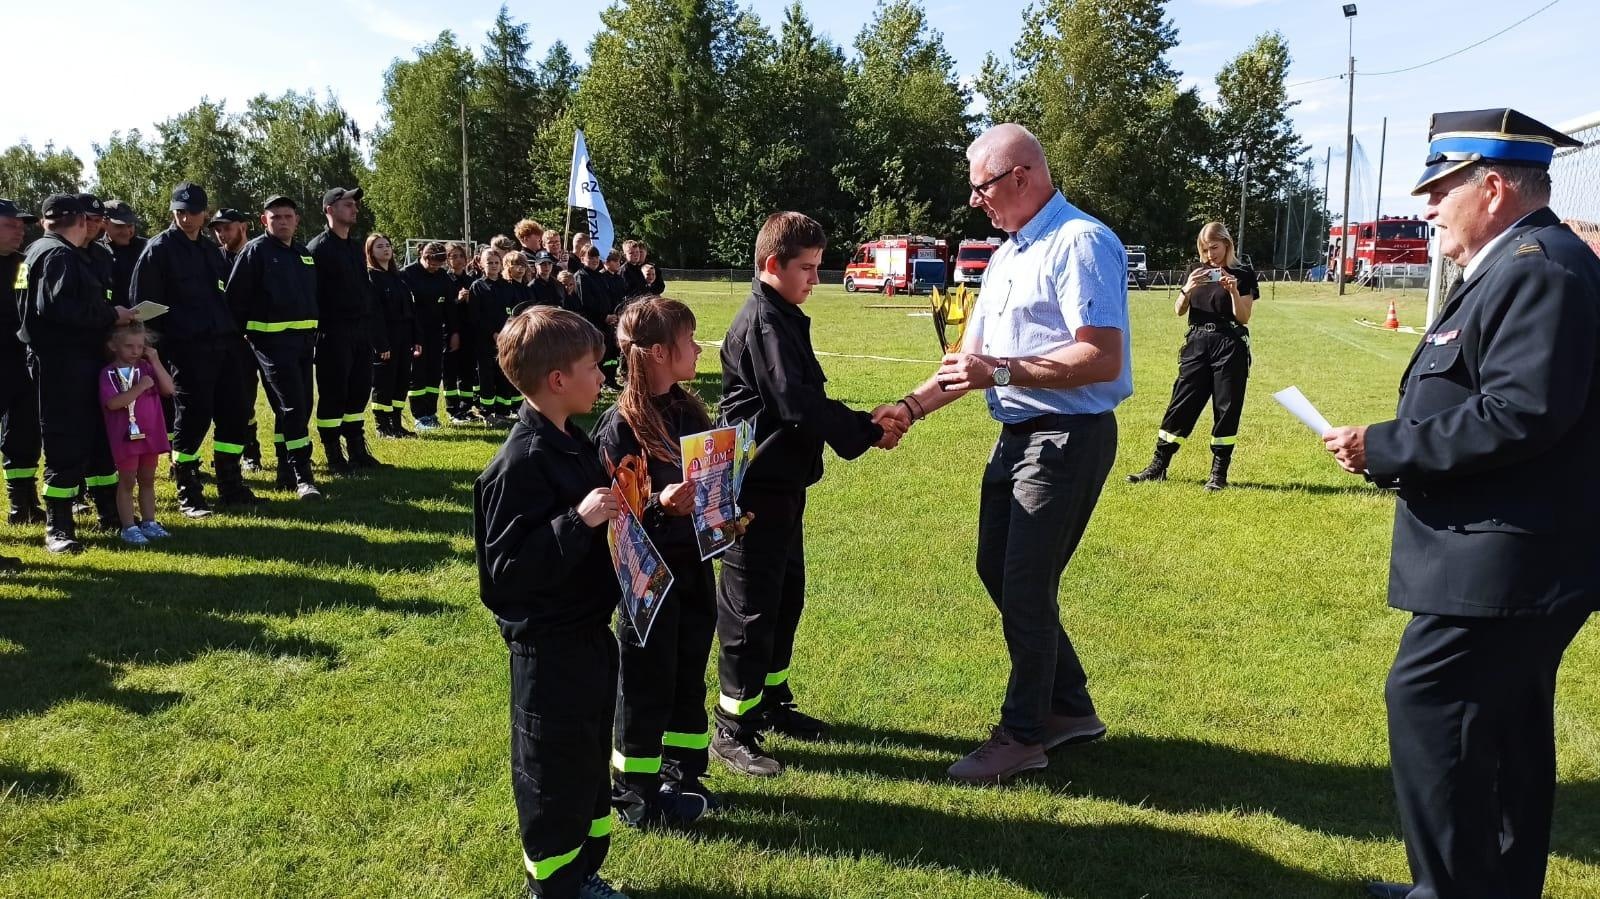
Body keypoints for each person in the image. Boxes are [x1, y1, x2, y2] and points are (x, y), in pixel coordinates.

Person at [1320, 109, 1600, 899]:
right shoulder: (1518, 260)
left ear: (1495, 185)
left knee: (1431, 701)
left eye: (1442, 189)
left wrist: (1388, 446)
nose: (1430, 206)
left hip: (1509, 557)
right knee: (1502, 728)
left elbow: (1521, 411)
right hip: (1506, 551)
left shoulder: (1538, 267)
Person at [890, 123, 1132, 783]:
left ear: (1022, 175)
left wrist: (999, 373)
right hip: (1020, 435)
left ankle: (1024, 733)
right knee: (999, 570)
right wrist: (909, 408)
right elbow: (970, 362)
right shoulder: (1007, 254)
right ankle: (1070, 705)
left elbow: (1099, 355)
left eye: (982, 186)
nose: (975, 201)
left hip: (1066, 436)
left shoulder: (1080, 242)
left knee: (1025, 583)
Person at [711, 211, 904, 777]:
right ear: (773, 265)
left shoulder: (785, 315)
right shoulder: (765, 322)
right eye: (807, 268)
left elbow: (802, 401)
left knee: (784, 596)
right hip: (753, 492)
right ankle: (732, 727)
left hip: (783, 486)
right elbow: (796, 404)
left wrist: (861, 426)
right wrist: (867, 430)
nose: (815, 279)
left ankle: (770, 701)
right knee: (749, 610)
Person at [472, 306, 625, 899]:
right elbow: (505, 576)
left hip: (589, 636)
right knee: (552, 771)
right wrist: (576, 521)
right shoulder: (518, 465)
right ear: (557, 380)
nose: (602, 378)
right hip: (549, 650)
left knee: (588, 761)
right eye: (593, 367)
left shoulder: (572, 442)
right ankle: (555, 884)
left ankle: (584, 870)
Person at [593, 296, 721, 827]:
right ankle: (637, 793)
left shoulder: (688, 410)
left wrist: (727, 494)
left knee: (688, 671)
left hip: (694, 567)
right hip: (647, 580)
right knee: (647, 681)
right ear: (655, 354)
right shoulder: (620, 426)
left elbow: (708, 477)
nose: (697, 348)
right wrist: (660, 504)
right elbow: (614, 512)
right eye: (688, 341)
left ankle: (683, 771)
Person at [18, 194, 140, 552]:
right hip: (62, 363)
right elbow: (55, 309)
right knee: (65, 441)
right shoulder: (57, 254)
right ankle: (59, 527)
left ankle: (108, 512)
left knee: (98, 437)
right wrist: (110, 316)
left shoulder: (39, 251)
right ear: (81, 222)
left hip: (78, 360)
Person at [130, 181, 257, 515]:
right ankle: (189, 490)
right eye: (181, 212)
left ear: (204, 213)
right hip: (187, 349)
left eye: (194, 212)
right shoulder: (158, 250)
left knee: (235, 412)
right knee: (193, 417)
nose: (187, 218)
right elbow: (143, 308)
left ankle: (231, 485)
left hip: (224, 345)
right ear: (173, 211)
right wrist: (159, 352)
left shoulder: (208, 251)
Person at [1126, 221, 1257, 490]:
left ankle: (1218, 474)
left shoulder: (1243, 273)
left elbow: (1244, 317)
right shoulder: (1196, 271)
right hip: (1197, 343)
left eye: (1215, 248)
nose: (1210, 255)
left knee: (1227, 407)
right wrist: (1187, 287)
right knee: (1181, 403)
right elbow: (1178, 310)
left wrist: (1232, 290)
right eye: (1205, 249)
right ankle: (1158, 466)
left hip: (1229, 343)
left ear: (1227, 244)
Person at [225, 195, 321, 500]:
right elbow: (235, 299)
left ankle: (285, 470)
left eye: (287, 216)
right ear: (263, 220)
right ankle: (302, 475)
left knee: (299, 406)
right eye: (275, 216)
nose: (282, 221)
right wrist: (242, 339)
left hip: (304, 344)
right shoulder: (255, 251)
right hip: (271, 344)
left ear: (296, 220)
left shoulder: (303, 254)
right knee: (293, 405)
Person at [308, 186, 382, 475]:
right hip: (333, 333)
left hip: (360, 332)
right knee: (333, 394)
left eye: (354, 205)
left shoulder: (354, 246)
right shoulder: (318, 249)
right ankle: (333, 454)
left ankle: (357, 450)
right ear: (330, 210)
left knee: (358, 392)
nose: (354, 209)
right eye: (347, 204)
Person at [98, 321, 174, 546]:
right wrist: (139, 388)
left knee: (148, 479)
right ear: (113, 346)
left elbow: (169, 389)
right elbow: (112, 404)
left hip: (150, 434)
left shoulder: (147, 368)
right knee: (128, 481)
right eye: (129, 346)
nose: (135, 351)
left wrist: (156, 360)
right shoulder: (108, 373)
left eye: (140, 346)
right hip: (125, 437)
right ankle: (128, 526)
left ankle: (149, 522)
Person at [209, 208, 265, 471]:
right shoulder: (214, 259)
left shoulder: (258, 254)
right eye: (217, 229)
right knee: (240, 399)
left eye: (227, 228)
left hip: (262, 338)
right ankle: (249, 451)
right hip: (231, 343)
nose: (221, 234)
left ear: (243, 226)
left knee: (273, 399)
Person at [1, 198, 43, 529]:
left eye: (21, 226)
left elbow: (25, 307)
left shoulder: (22, 265)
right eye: (10, 225)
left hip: (22, 361)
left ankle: (24, 501)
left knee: (24, 430)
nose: (19, 231)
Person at [367, 233, 418, 441]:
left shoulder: (399, 277)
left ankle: (396, 423)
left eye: (388, 245)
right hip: (385, 338)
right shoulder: (372, 277)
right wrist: (381, 343)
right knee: (384, 382)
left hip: (404, 337)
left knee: (401, 380)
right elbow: (374, 314)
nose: (386, 249)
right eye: (380, 246)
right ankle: (382, 425)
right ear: (370, 251)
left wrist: (416, 338)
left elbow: (410, 311)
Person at [401, 241, 455, 431]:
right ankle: (419, 415)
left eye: (439, 261)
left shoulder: (443, 277)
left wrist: (453, 333)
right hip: (415, 333)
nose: (433, 265)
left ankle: (431, 412)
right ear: (421, 254)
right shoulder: (407, 274)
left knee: (433, 375)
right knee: (418, 374)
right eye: (430, 260)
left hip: (436, 333)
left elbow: (450, 308)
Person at [467, 246, 519, 422]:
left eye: (497, 262)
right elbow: (476, 316)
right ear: (482, 264)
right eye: (489, 262)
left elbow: (512, 311)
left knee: (503, 374)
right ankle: (487, 412)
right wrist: (493, 333)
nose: (494, 265)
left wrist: (508, 332)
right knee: (487, 376)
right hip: (485, 340)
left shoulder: (507, 286)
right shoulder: (478, 286)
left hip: (506, 339)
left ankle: (503, 411)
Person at [442, 242, 476, 424]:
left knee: (467, 372)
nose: (458, 260)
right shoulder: (445, 280)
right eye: (453, 256)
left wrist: (470, 301)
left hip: (469, 332)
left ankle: (466, 408)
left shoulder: (471, 281)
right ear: (447, 260)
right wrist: (458, 300)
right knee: (450, 371)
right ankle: (452, 409)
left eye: (461, 256)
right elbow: (446, 310)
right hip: (450, 332)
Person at [102, 201, 145, 309]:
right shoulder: (96, 251)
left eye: (130, 225)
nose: (126, 231)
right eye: (119, 226)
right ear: (105, 223)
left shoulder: (147, 248)